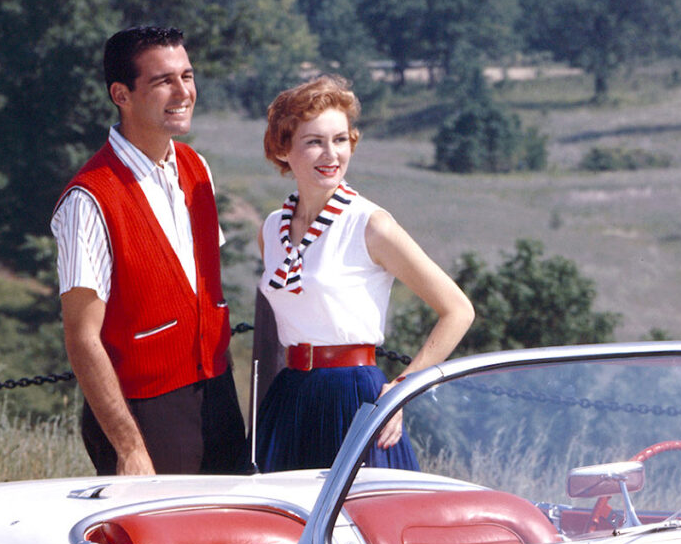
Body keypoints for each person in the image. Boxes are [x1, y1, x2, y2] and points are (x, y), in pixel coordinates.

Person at [52, 25, 252, 478]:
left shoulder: (196, 167)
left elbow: (193, 287)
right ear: (121, 94)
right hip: (146, 411)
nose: (183, 92)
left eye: (188, 76)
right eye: (164, 81)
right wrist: (129, 447)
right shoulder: (89, 199)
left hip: (217, 398)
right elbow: (82, 339)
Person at [254, 75, 473, 471]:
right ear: (283, 149)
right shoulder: (272, 228)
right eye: (314, 141)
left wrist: (400, 393)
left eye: (340, 139)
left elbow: (458, 310)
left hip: (355, 398)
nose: (331, 154)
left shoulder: (371, 225)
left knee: (361, 527)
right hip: (289, 397)